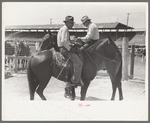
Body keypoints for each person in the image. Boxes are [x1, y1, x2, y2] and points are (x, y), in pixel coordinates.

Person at [57, 15, 83, 87]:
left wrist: (72, 44)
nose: (72, 24)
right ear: (67, 23)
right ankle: (75, 81)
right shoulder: (65, 29)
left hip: (63, 48)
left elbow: (64, 41)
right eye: (71, 23)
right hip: (65, 49)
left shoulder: (62, 28)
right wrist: (71, 48)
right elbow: (64, 41)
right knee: (79, 63)